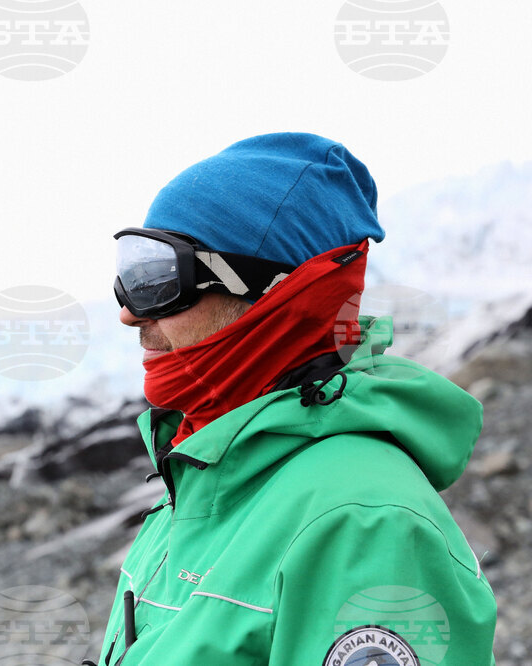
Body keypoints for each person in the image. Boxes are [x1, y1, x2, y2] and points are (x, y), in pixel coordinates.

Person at [86, 133, 497, 665]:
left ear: (279, 294)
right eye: (132, 271)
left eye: (161, 277)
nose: (129, 313)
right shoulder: (202, 479)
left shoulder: (363, 526)